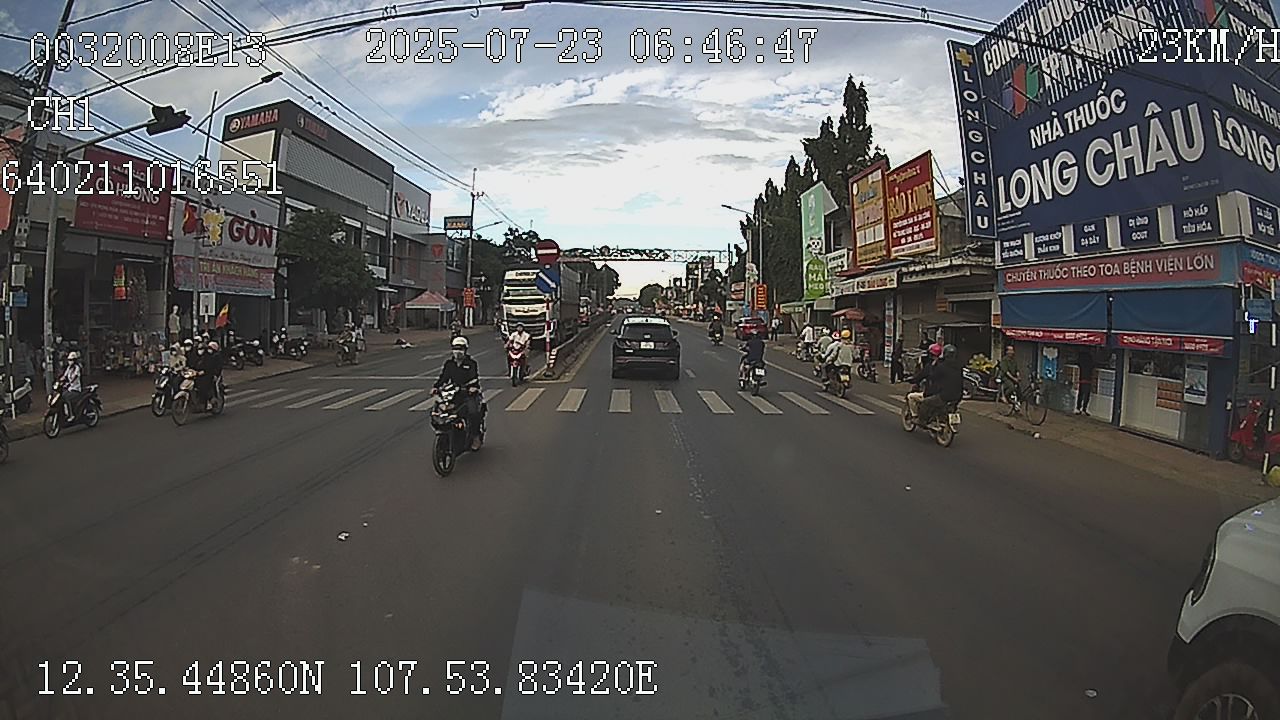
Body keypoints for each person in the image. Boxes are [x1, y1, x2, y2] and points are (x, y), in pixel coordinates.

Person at [433, 336, 483, 450]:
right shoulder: (449, 364)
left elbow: (474, 378)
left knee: (473, 413)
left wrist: (472, 388)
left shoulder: (471, 363)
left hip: (468, 394)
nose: (457, 351)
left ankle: (475, 437)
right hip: (453, 393)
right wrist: (436, 387)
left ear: (465, 349)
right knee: (440, 410)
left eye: (460, 348)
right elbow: (443, 378)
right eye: (455, 348)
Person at [909, 344, 964, 424]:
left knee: (925, 402)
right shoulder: (959, 367)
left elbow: (932, 377)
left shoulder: (940, 366)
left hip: (944, 396)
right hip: (958, 397)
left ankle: (921, 420)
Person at [195, 340, 223, 409]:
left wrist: (214, 374)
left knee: (206, 386)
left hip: (210, 375)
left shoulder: (214, 357)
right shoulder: (200, 357)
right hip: (201, 374)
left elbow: (213, 367)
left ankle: (209, 401)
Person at [57, 350, 83, 421]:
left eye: (71, 360)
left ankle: (71, 415)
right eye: (69, 360)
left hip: (76, 389)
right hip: (69, 388)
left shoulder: (77, 368)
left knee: (67, 397)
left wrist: (69, 383)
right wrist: (59, 381)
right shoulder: (69, 368)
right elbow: (64, 376)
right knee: (61, 396)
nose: (70, 361)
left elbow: (75, 377)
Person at [1075, 348, 1095, 415]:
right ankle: (1084, 408)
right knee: (1086, 395)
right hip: (1088, 379)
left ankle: (1079, 408)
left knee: (1081, 394)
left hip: (1082, 379)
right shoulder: (1090, 360)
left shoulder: (1081, 359)